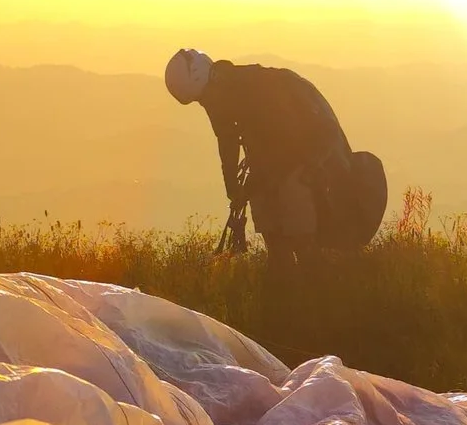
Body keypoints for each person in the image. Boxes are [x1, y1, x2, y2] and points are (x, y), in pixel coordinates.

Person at [164, 50, 388, 265]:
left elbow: (288, 141)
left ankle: (313, 283)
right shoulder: (218, 95)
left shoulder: (259, 89)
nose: (204, 103)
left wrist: (258, 179)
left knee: (299, 230)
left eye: (202, 97)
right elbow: (227, 140)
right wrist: (233, 187)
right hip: (284, 157)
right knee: (274, 231)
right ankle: (286, 281)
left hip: (306, 153)